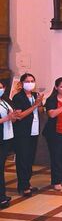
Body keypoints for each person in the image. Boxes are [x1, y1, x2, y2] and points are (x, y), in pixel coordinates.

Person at [12, 73, 44, 196]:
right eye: (27, 81)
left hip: (34, 131)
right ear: (22, 83)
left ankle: (27, 183)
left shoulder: (35, 95)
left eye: (32, 80)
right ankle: (23, 185)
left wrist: (40, 103)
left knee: (30, 158)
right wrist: (34, 105)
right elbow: (19, 116)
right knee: (22, 159)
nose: (30, 83)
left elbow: (40, 111)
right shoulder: (18, 97)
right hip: (22, 132)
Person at [0, 80, 17, 208]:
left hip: (7, 138)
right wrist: (6, 118)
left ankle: (2, 195)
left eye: (1, 87)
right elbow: (5, 118)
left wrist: (13, 116)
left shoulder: (4, 100)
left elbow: (11, 115)